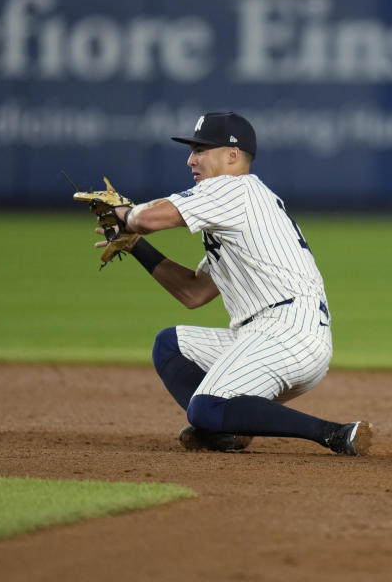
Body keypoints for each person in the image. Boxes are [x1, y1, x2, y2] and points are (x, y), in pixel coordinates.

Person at [91, 111, 372, 456]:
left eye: (201, 150)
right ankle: (222, 431)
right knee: (171, 345)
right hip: (272, 334)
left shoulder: (234, 190)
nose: (190, 159)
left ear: (232, 156)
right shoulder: (236, 211)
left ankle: (334, 433)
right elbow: (193, 292)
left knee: (204, 407)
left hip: (286, 332)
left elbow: (147, 217)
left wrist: (124, 213)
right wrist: (135, 244)